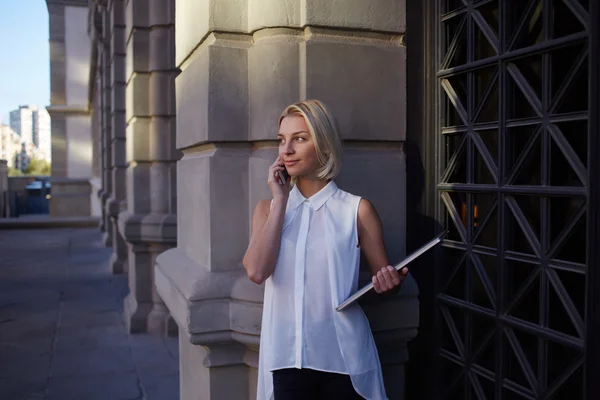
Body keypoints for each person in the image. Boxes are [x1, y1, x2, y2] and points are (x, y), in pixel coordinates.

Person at [243, 100, 408, 400]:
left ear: (323, 144)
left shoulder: (357, 210)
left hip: (345, 362)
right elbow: (256, 271)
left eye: (299, 139)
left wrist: (389, 283)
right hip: (286, 362)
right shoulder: (268, 209)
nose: (286, 150)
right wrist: (280, 200)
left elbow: (385, 283)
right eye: (282, 141)